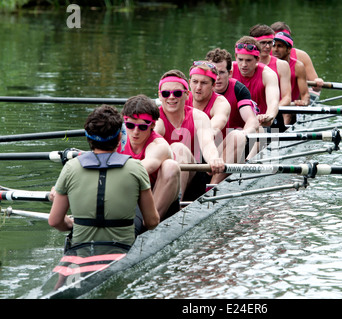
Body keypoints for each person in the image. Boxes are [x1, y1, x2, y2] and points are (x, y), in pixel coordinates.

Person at [48, 105, 160, 248]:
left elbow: (54, 221)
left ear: (88, 137)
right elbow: (152, 222)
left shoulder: (71, 167)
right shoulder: (136, 167)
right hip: (123, 247)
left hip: (81, 247)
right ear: (120, 136)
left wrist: (72, 224)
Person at [154, 70, 225, 200]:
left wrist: (214, 159)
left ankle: (175, 205)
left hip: (192, 176)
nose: (171, 97)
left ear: (187, 95)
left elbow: (207, 143)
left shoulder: (199, 116)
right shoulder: (156, 120)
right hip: (160, 174)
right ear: (159, 96)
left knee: (178, 148)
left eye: (177, 93)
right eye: (165, 93)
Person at [118, 94, 181, 222]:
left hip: (158, 196)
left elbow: (142, 168)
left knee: (171, 166)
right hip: (131, 193)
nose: (135, 132)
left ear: (152, 125)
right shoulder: (117, 138)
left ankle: (149, 223)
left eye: (142, 127)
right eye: (130, 126)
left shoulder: (159, 146)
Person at [205, 48, 260, 182]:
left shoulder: (238, 89)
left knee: (245, 135)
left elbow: (251, 120)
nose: (217, 78)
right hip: (205, 146)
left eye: (221, 72)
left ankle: (212, 187)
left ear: (229, 73)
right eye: (213, 73)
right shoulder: (199, 88)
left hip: (231, 144)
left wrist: (244, 134)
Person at [231, 36, 282, 130]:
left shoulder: (268, 74)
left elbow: (273, 102)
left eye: (248, 60)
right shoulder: (228, 72)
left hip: (261, 124)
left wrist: (268, 116)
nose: (244, 65)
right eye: (240, 59)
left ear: (257, 59)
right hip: (236, 125)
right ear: (235, 57)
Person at [271, 21, 324, 102]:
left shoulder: (302, 56)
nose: (276, 49)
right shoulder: (263, 56)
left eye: (281, 44)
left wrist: (318, 82)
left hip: (295, 101)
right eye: (274, 43)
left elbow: (315, 87)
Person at [249, 24, 292, 111]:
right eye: (263, 43)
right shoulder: (243, 63)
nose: (268, 46)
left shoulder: (282, 65)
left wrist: (272, 111)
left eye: (270, 42)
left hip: (272, 114)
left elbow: (287, 98)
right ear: (253, 43)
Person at [186, 60, 231, 143]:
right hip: (188, 150)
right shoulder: (182, 98)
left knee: (237, 136)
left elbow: (214, 126)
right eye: (195, 82)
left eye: (204, 83)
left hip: (215, 151)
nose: (198, 87)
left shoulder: (221, 103)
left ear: (213, 85)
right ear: (189, 83)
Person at [272, 31, 310, 108]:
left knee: (287, 116)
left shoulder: (298, 66)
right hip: (272, 106)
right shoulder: (266, 64)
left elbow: (305, 94)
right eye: (273, 46)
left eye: (280, 46)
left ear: (289, 49)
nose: (275, 49)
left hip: (290, 108)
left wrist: (304, 102)